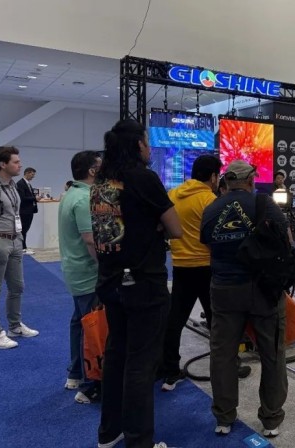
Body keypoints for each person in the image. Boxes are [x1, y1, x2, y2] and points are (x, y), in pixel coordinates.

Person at [91, 119, 182, 448]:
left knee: (116, 354)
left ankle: (109, 432)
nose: (149, 147)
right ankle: (139, 441)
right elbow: (175, 228)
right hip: (144, 282)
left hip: (111, 279)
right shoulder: (144, 177)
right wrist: (155, 226)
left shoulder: (102, 181)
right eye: (146, 141)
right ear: (137, 145)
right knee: (142, 363)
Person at [201, 160, 288, 439]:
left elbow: (208, 244)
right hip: (264, 290)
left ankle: (224, 418)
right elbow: (286, 240)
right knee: (272, 353)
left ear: (225, 182)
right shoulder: (265, 204)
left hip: (224, 289)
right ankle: (271, 419)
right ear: (251, 181)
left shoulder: (212, 209)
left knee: (223, 354)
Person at [159, 155, 252, 391]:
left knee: (175, 320)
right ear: (213, 176)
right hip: (207, 267)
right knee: (219, 322)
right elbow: (217, 238)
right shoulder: (210, 200)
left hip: (180, 265)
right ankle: (229, 367)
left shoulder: (173, 195)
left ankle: (169, 370)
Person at [0, 146, 39, 349]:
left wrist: (18, 240)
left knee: (17, 287)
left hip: (14, 241)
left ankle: (15, 326)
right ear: (3, 164)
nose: (20, 165)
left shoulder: (12, 186)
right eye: (16, 162)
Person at [58, 151, 102, 403]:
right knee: (92, 327)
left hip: (74, 270)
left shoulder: (70, 194)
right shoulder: (85, 198)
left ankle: (75, 373)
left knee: (79, 322)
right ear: (93, 171)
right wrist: (105, 269)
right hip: (87, 272)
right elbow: (90, 240)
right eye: (100, 166)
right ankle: (88, 386)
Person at [16, 166, 39, 255]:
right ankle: (22, 248)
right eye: (32, 174)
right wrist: (35, 198)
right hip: (24, 211)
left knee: (25, 229)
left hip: (29, 210)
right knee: (23, 229)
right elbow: (22, 198)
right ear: (27, 173)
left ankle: (24, 247)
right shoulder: (20, 184)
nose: (33, 176)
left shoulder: (28, 184)